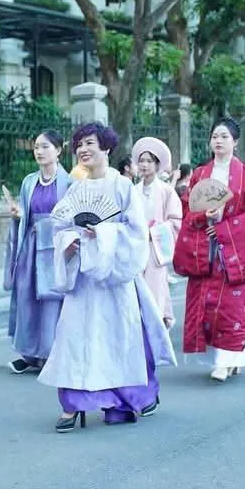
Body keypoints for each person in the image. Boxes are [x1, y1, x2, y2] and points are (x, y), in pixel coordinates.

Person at [39, 122, 175, 431]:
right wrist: (70, 243)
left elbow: (136, 233)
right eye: (80, 144)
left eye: (90, 143)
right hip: (83, 280)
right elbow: (61, 227)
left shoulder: (123, 187)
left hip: (114, 279)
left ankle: (121, 400)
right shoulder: (76, 189)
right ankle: (72, 403)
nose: (83, 149)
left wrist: (102, 234)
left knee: (115, 339)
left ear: (107, 148)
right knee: (75, 338)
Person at [174, 117, 245, 382]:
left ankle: (227, 361)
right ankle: (221, 359)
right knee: (208, 307)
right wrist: (203, 218)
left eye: (224, 136)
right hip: (206, 250)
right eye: (215, 136)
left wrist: (226, 227)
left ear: (235, 142)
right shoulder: (200, 174)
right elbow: (187, 209)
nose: (218, 141)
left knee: (233, 308)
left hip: (237, 252)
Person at [5, 129, 73, 374]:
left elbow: (71, 220)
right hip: (31, 247)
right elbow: (26, 214)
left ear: (58, 150)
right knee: (28, 298)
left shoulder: (69, 184)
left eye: (45, 146)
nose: (39, 151)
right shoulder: (29, 181)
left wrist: (45, 227)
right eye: (36, 147)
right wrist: (18, 216)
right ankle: (30, 354)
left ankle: (51, 353)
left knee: (51, 300)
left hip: (54, 249)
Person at [132, 136, 182, 330]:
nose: (144, 165)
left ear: (157, 165)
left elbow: (176, 221)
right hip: (137, 248)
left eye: (149, 161)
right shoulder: (132, 190)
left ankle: (156, 332)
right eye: (141, 161)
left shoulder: (166, 191)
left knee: (155, 292)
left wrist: (156, 231)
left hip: (155, 249)